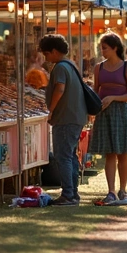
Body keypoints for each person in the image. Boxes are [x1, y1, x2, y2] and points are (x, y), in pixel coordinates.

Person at [92, 33, 127, 206]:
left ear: (115, 48)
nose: (102, 51)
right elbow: (95, 90)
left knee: (122, 154)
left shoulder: (126, 67)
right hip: (105, 113)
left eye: (105, 48)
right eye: (101, 48)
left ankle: (123, 190)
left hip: (122, 112)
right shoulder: (99, 68)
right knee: (109, 154)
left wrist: (113, 98)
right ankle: (111, 192)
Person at [40, 34, 87, 206]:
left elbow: (60, 88)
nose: (46, 58)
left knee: (63, 156)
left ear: (53, 51)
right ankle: (72, 193)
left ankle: (68, 194)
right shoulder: (71, 65)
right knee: (70, 156)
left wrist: (51, 110)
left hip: (65, 118)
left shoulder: (60, 67)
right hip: (74, 117)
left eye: (46, 54)